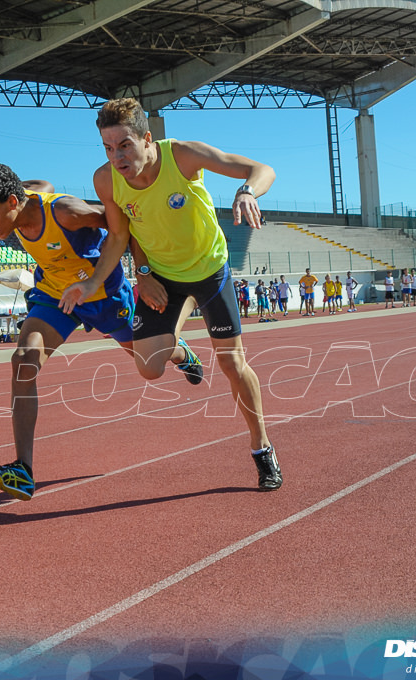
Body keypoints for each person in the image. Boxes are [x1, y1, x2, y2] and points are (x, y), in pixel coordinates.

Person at [60, 97, 282, 491]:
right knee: (148, 368)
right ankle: (185, 353)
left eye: (124, 145)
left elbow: (261, 168)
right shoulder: (106, 181)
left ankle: (261, 447)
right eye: (108, 148)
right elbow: (120, 235)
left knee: (232, 366)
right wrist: (125, 276)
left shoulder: (182, 156)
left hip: (210, 273)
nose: (117, 157)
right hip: (162, 278)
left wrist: (247, 191)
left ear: (147, 139)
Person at [0, 163, 204, 501]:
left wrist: (144, 272)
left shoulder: (67, 213)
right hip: (56, 297)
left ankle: (181, 352)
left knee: (150, 365)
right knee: (23, 359)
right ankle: (23, 471)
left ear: (11, 202)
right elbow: (41, 181)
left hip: (105, 297)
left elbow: (124, 224)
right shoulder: (25, 197)